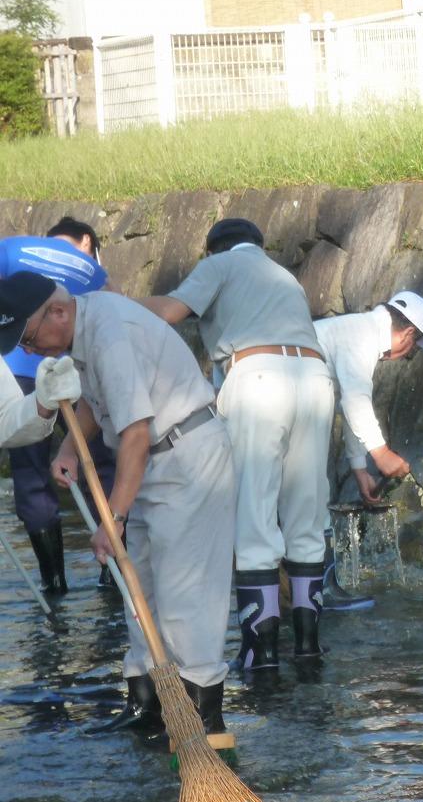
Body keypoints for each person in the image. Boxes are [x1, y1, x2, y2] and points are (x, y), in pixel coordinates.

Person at [0, 271, 236, 740]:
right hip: (157, 461)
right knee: (137, 588)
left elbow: (135, 433)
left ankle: (205, 723)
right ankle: (149, 710)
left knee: (187, 596)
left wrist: (115, 517)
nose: (28, 351)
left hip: (186, 458)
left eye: (27, 338)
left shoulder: (109, 333)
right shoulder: (87, 328)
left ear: (58, 312)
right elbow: (95, 400)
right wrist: (69, 448)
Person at [141, 218, 334, 670]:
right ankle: (308, 648)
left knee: (253, 517)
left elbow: (170, 313)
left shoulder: (221, 265)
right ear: (260, 245)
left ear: (214, 250)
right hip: (315, 378)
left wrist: (111, 305)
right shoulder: (284, 277)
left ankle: (260, 653)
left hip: (259, 377)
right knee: (306, 516)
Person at [0, 220, 118, 594]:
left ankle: (54, 582)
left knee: (33, 475)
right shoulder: (92, 267)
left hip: (21, 367)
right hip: (78, 365)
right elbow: (117, 307)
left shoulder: (8, 250)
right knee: (99, 462)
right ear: (87, 242)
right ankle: (113, 566)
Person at [314, 291, 423, 504]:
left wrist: (359, 468)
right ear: (407, 334)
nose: (406, 355)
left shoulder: (358, 328)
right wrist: (382, 454)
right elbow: (355, 401)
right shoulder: (363, 336)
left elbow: (350, 403)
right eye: (411, 350)